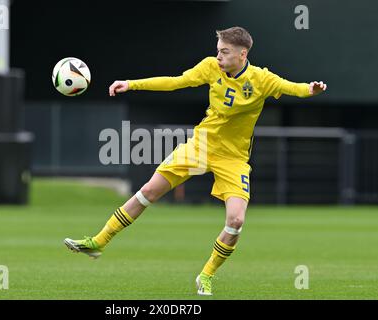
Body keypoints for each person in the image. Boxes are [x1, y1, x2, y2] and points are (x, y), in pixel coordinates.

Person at [64, 26, 327, 296]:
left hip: (233, 159)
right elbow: (175, 82)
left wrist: (311, 89)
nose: (219, 57)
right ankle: (98, 242)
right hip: (201, 146)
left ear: (242, 53)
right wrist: (132, 84)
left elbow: (292, 88)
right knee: (149, 191)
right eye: (218, 51)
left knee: (236, 221)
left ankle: (207, 274)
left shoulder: (261, 79)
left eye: (224, 52)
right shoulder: (210, 68)